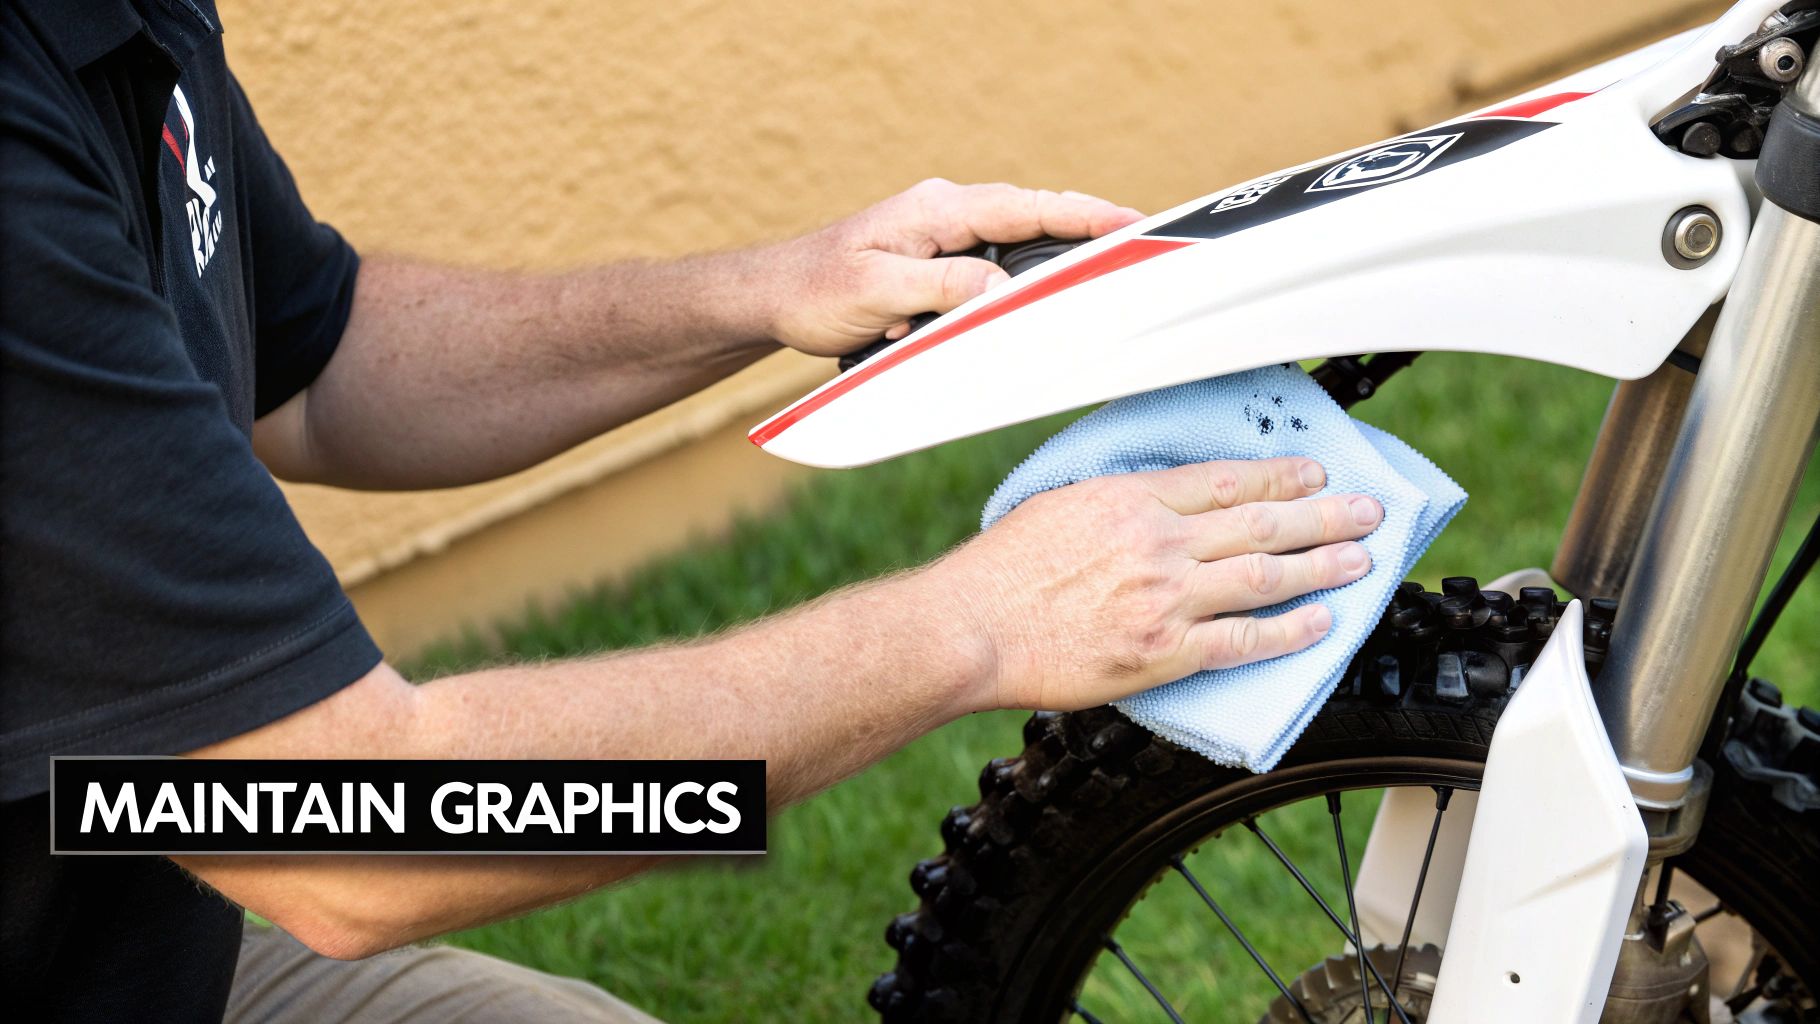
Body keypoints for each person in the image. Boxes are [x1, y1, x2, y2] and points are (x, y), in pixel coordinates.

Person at [0, 1, 1384, 1020]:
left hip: (133, 934)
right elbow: (352, 842)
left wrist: (762, 293)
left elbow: (318, 362)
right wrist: (973, 628)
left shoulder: (120, 27)